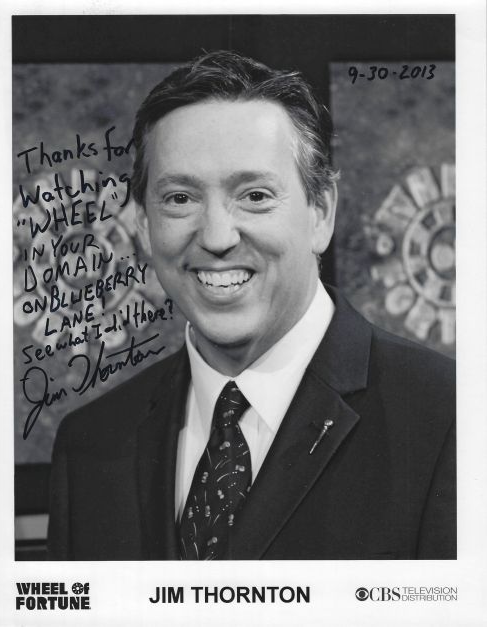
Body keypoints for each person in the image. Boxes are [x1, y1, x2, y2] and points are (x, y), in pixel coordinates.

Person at [48, 50, 455, 560]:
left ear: (321, 212)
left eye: (255, 196)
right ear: (144, 225)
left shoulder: (450, 417)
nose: (217, 237)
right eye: (180, 199)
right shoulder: (89, 444)